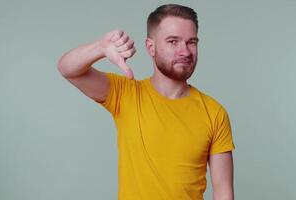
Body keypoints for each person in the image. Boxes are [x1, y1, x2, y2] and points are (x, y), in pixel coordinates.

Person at [57, 4, 235, 200]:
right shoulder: (125, 94)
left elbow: (223, 192)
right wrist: (100, 47)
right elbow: (68, 69)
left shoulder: (214, 112)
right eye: (173, 41)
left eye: (191, 42)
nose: (185, 51)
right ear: (151, 47)